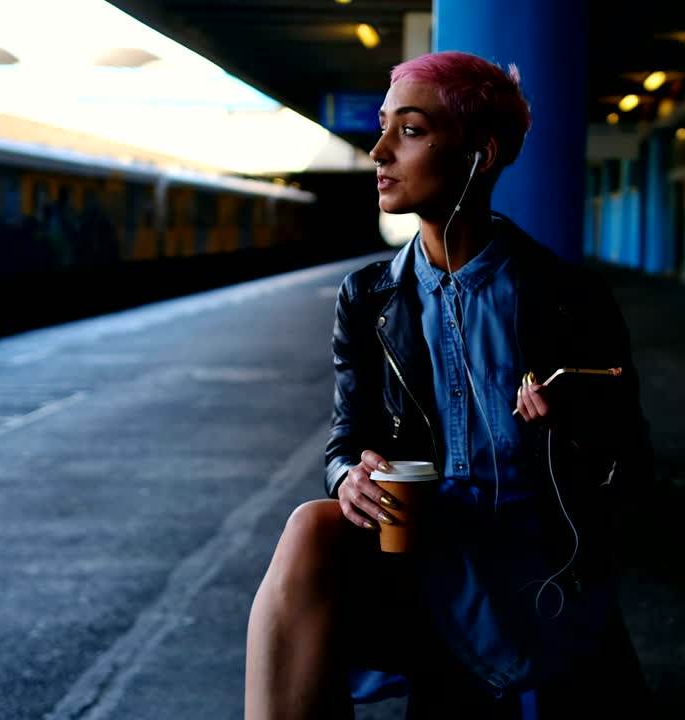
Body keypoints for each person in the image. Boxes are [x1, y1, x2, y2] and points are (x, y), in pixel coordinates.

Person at [245, 50, 653, 719]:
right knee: (313, 526)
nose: (377, 151)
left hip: (540, 564)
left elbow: (632, 472)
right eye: (381, 128)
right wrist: (352, 475)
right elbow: (347, 440)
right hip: (423, 553)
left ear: (479, 157)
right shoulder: (369, 297)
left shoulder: (568, 298)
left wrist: (582, 431)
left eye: (408, 130)